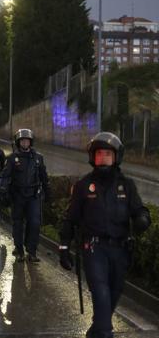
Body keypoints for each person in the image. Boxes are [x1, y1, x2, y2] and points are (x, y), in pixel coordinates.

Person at [59, 132, 151, 338]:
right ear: (93, 157)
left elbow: (139, 210)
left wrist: (142, 219)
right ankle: (105, 333)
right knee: (101, 294)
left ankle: (95, 332)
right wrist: (64, 246)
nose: (103, 159)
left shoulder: (127, 186)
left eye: (107, 155)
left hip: (120, 250)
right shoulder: (84, 186)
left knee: (110, 300)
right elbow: (70, 217)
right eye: (99, 154)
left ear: (117, 157)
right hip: (94, 249)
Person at [0, 129, 49, 263]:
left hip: (33, 196)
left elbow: (44, 177)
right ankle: (19, 249)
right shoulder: (12, 158)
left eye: (27, 140)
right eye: (22, 140)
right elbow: (5, 175)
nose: (25, 142)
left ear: (31, 142)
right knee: (18, 224)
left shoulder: (38, 158)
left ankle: (31, 251)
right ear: (18, 142)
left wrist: (47, 192)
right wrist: (3, 190)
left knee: (34, 223)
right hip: (18, 195)